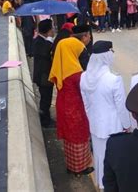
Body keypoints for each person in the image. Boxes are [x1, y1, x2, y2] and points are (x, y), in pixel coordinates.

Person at [80, 41, 131, 190]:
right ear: (106, 56)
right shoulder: (114, 79)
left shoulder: (84, 77)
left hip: (95, 125)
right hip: (113, 126)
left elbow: (86, 105)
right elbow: (121, 107)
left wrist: (93, 120)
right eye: (111, 52)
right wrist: (127, 126)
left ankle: (101, 184)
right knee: (114, 159)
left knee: (99, 156)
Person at [49, 35, 93, 176]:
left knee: (69, 140)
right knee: (78, 137)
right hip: (75, 108)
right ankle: (79, 169)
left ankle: (71, 166)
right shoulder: (75, 72)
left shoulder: (61, 66)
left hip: (63, 105)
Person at [32, 19, 55, 127]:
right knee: (45, 99)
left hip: (44, 75)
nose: (54, 29)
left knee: (47, 97)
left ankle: (47, 118)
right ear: (48, 30)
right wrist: (50, 40)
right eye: (52, 27)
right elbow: (45, 52)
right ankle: (45, 121)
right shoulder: (39, 42)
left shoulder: (42, 41)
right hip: (43, 76)